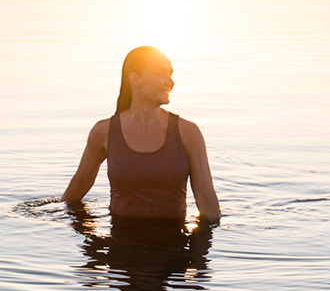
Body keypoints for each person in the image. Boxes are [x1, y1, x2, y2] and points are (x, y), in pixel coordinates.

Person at [62, 45, 220, 225]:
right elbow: (75, 193)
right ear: (135, 80)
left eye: (170, 74)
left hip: (175, 246)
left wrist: (201, 251)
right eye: (161, 74)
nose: (171, 82)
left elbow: (208, 203)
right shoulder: (103, 132)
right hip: (120, 246)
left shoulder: (188, 133)